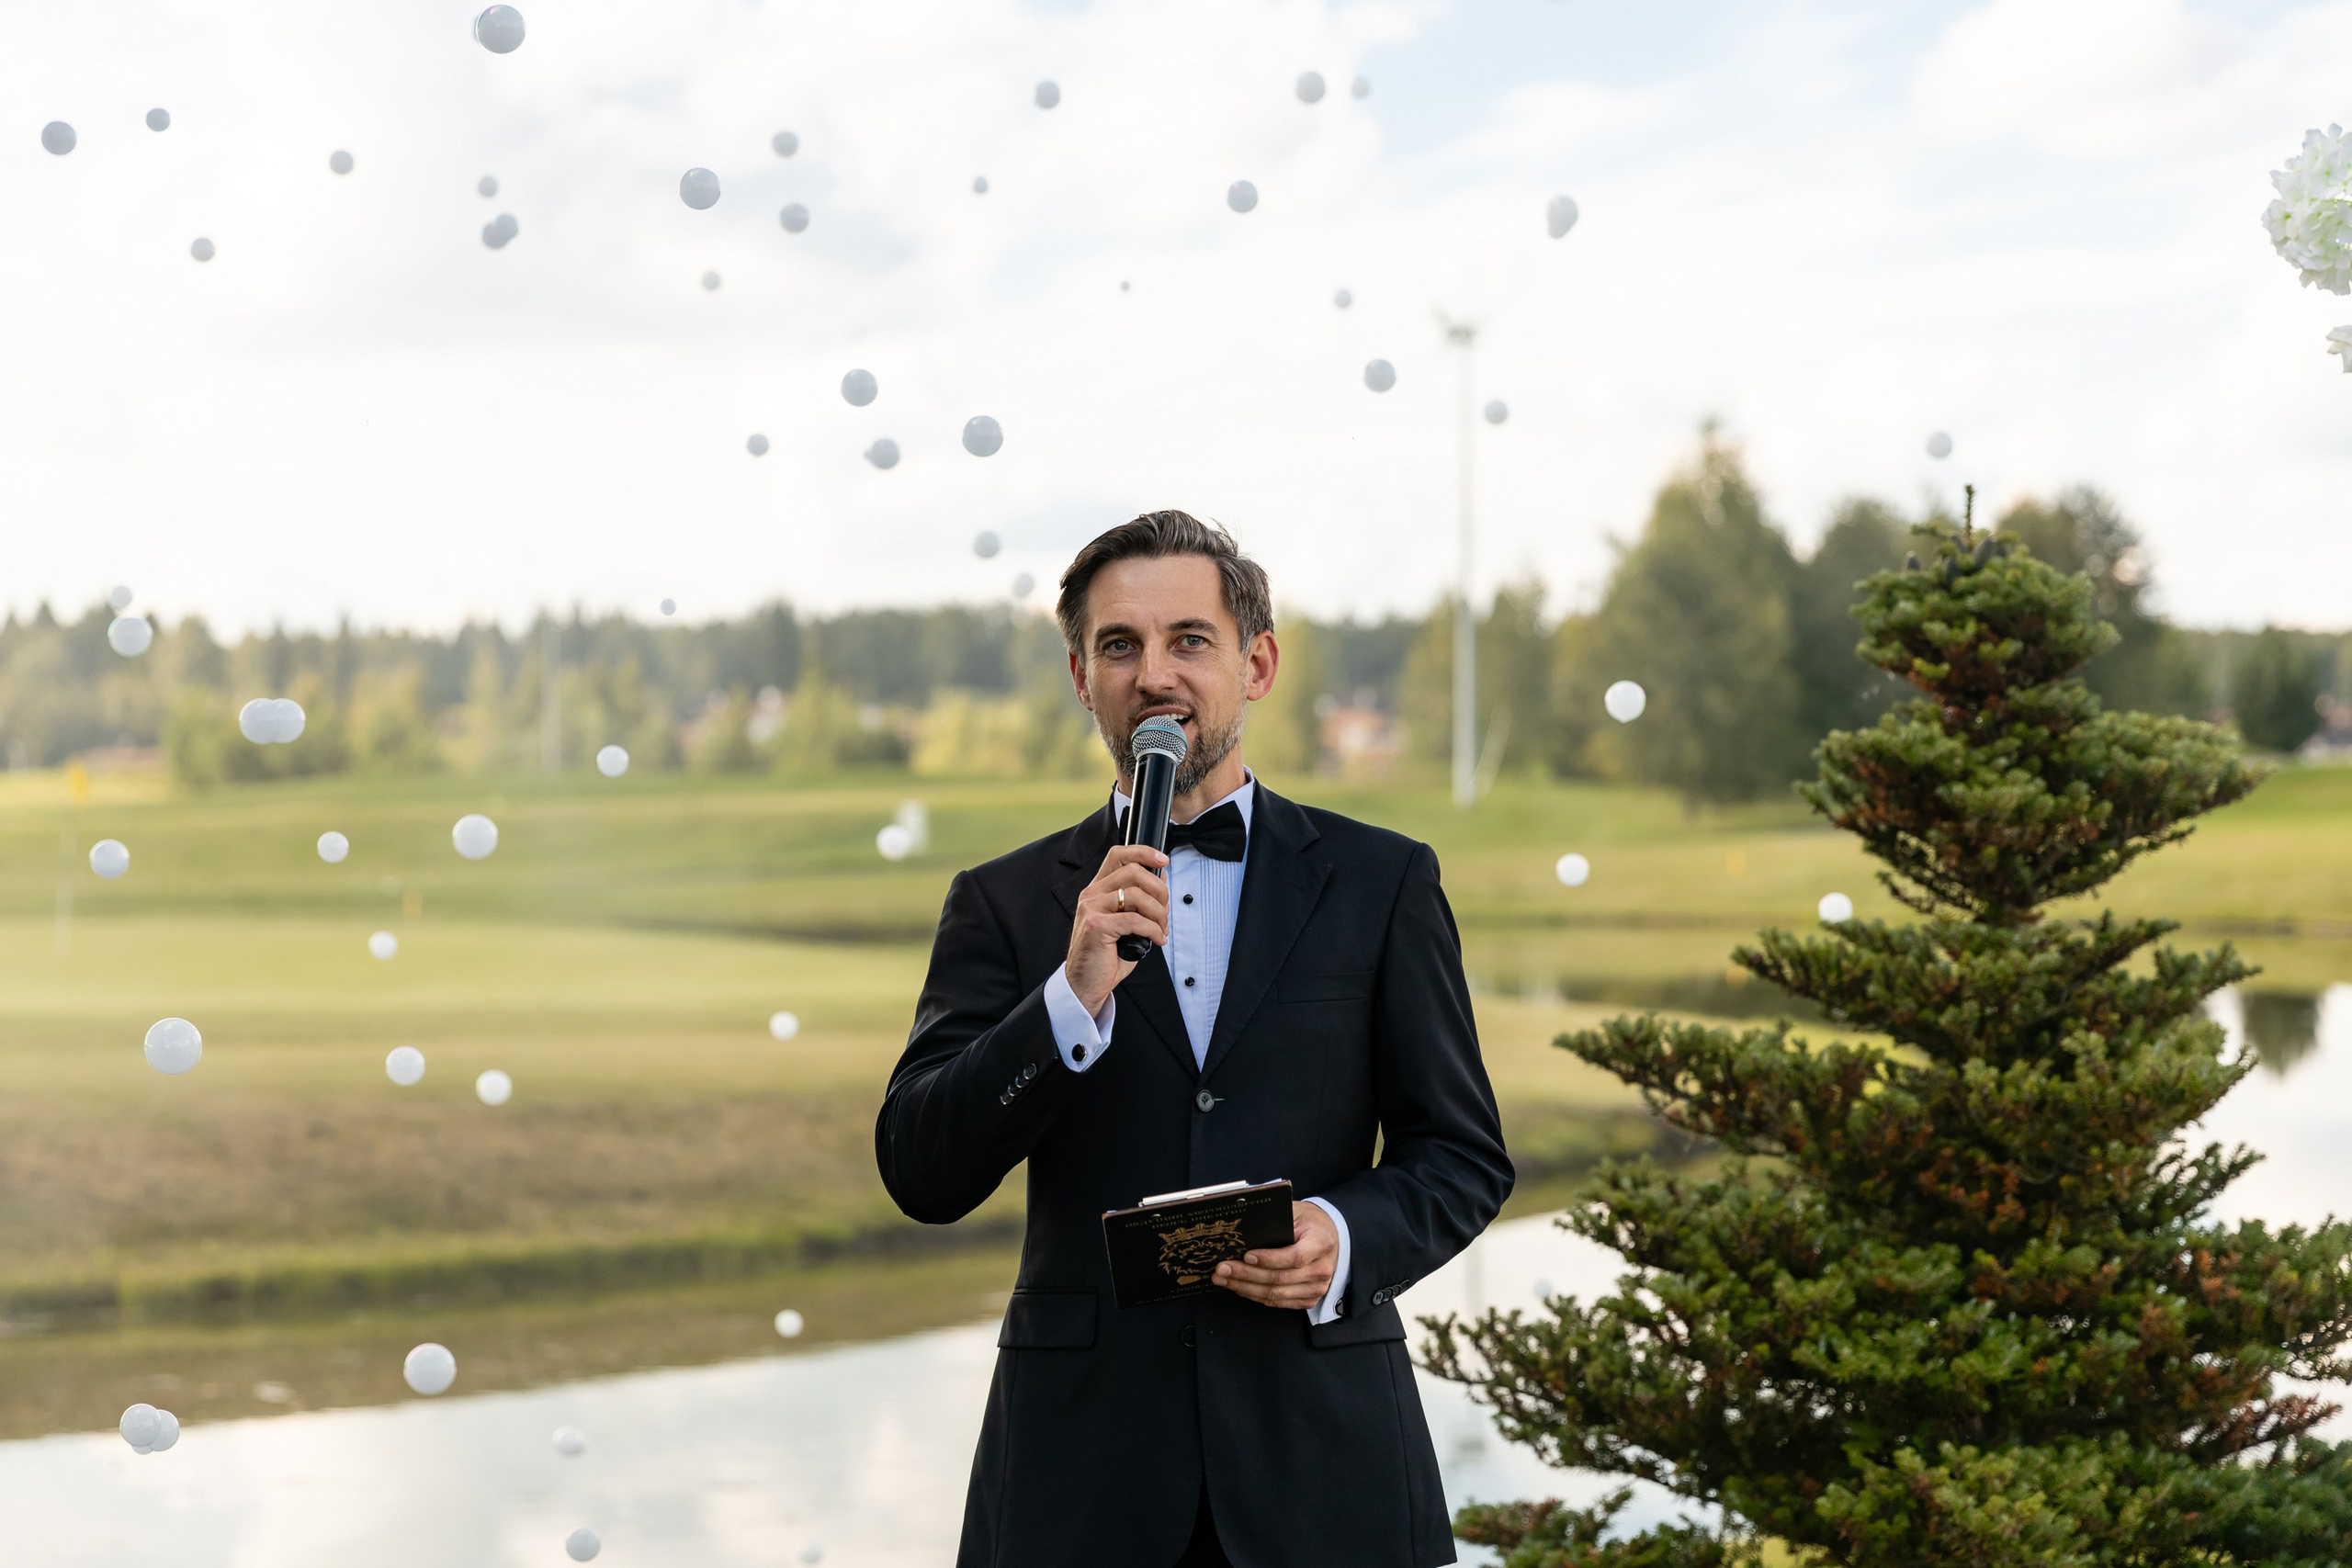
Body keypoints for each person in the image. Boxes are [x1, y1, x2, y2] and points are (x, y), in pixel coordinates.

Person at [876, 512, 1513, 1568]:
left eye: (1189, 640)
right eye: (1118, 646)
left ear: (1255, 663)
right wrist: (1070, 998)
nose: (1153, 676)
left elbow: (1460, 1157)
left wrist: (1341, 1237)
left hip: (1326, 1466)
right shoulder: (1001, 901)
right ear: (1080, 677)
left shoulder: (1380, 880)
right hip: (1077, 1479)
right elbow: (921, 1170)